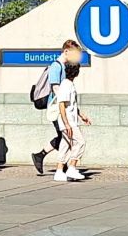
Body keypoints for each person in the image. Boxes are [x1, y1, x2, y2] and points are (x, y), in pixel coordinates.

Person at [32, 40, 83, 174]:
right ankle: (60, 164)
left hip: (63, 107)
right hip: (57, 108)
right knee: (66, 135)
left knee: (64, 136)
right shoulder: (56, 66)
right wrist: (66, 105)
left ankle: (50, 160)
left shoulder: (62, 66)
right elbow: (56, 88)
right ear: (66, 51)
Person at [54, 62, 92, 182]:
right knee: (80, 142)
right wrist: (66, 123)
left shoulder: (68, 84)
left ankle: (59, 171)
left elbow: (71, 105)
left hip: (69, 120)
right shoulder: (66, 85)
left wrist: (81, 115)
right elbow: (61, 104)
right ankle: (72, 167)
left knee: (65, 145)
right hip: (68, 121)